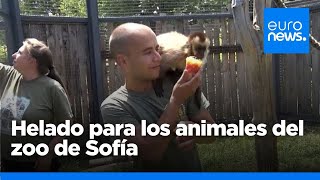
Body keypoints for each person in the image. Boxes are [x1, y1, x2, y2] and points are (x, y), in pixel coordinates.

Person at [100, 23, 215, 171]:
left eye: (157, 49)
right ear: (123, 61)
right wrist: (175, 101)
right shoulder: (115, 106)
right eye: (148, 52)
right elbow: (150, 154)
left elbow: (212, 132)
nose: (157, 57)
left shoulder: (178, 83)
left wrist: (196, 133)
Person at [0, 38, 73, 171]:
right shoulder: (8, 74)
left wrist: (48, 154)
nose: (13, 55)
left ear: (32, 61)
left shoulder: (52, 88)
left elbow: (66, 125)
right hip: (7, 161)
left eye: (20, 53)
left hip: (36, 163)